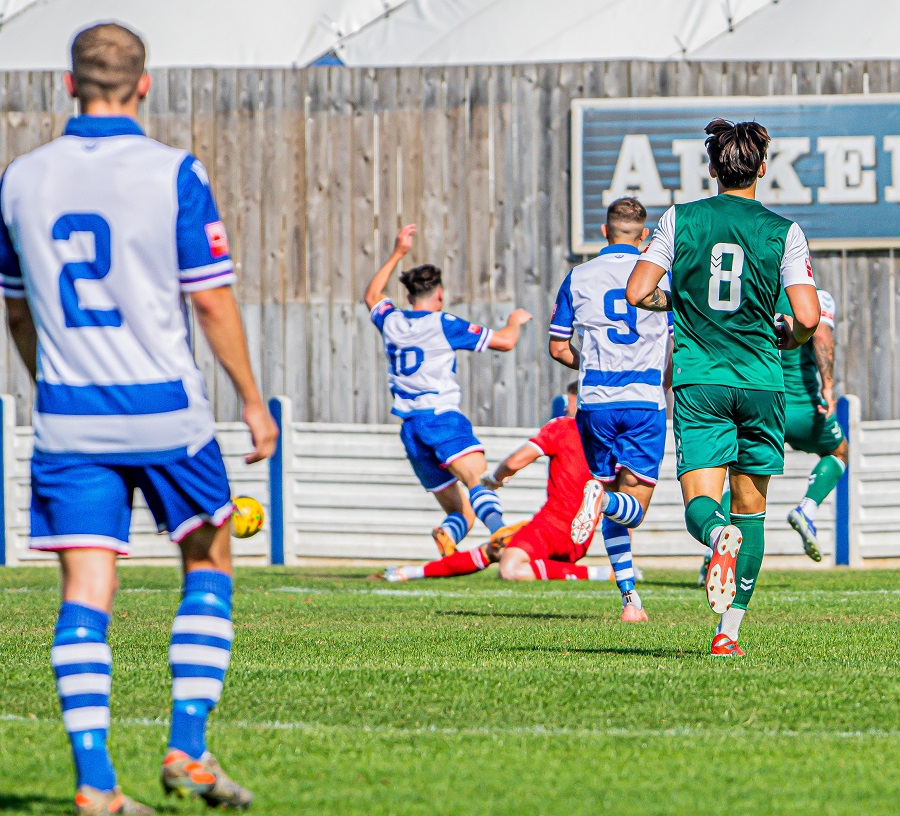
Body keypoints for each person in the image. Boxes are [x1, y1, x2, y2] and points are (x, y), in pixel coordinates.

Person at [0, 23, 278, 814]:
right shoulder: (173, 173)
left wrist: (49, 380)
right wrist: (253, 402)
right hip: (166, 413)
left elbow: (17, 312)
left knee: (87, 587)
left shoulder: (20, 179)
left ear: (68, 84)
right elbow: (212, 298)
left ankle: (95, 786)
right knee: (209, 559)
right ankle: (187, 749)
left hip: (70, 421)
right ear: (145, 85)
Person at [626, 119, 820, 657]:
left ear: (711, 169)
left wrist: (679, 304)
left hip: (701, 380)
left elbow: (638, 291)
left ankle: (715, 538)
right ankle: (727, 634)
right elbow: (806, 315)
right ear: (762, 169)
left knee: (702, 504)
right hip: (761, 380)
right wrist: (791, 334)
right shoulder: (785, 231)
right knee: (751, 507)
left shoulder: (678, 219)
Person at [384, 387, 646, 620]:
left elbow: (515, 461)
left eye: (569, 401)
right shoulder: (614, 435)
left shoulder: (564, 425)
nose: (566, 406)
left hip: (554, 525)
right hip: (582, 536)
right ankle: (409, 572)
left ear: (578, 400)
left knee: (509, 565)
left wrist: (494, 479)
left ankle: (598, 574)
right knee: (497, 548)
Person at [364, 225, 531, 557]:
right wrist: (515, 320)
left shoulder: (392, 322)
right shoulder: (443, 323)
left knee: (462, 513)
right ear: (438, 296)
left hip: (411, 428)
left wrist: (398, 252)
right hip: (441, 419)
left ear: (409, 298)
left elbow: (372, 295)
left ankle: (447, 534)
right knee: (479, 480)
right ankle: (501, 532)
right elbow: (506, 342)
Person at [548, 197, 670, 621]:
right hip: (644, 401)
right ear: (645, 237)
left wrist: (591, 367)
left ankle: (630, 599)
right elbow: (678, 342)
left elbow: (558, 347)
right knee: (631, 507)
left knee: (606, 493)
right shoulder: (663, 280)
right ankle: (601, 499)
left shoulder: (578, 276)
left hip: (595, 403)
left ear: (604, 232)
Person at [780, 288, 848, 561]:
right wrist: (828, 387)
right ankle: (806, 510)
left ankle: (715, 554)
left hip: (760, 405)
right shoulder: (813, 296)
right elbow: (820, 333)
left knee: (742, 479)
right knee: (839, 451)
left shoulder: (755, 288)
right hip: (801, 406)